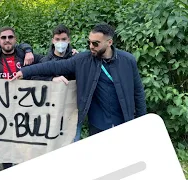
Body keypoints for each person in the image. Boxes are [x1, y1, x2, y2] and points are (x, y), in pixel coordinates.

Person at [12, 23, 147, 141]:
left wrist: (141, 122)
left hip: (124, 121)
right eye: (89, 42)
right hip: (97, 124)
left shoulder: (127, 61)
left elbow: (138, 92)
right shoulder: (83, 60)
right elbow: (53, 66)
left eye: (95, 43)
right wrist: (24, 72)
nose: (91, 46)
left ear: (109, 42)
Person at [0, 26, 43, 177]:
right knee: (5, 142)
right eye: (3, 37)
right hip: (1, 107)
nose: (7, 40)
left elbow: (51, 60)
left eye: (10, 37)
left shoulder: (26, 55)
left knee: (25, 142)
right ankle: (8, 173)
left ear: (15, 39)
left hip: (24, 106)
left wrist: (71, 53)